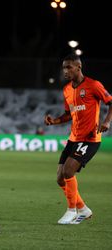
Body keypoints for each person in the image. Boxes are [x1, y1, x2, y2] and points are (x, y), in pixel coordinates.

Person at [45, 54, 112, 224]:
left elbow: (111, 102)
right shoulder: (67, 89)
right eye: (64, 68)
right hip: (73, 138)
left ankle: (71, 210)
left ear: (78, 67)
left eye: (68, 67)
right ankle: (83, 208)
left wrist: (106, 122)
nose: (65, 71)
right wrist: (55, 121)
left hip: (90, 138)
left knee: (68, 171)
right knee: (60, 178)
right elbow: (70, 114)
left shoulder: (93, 85)